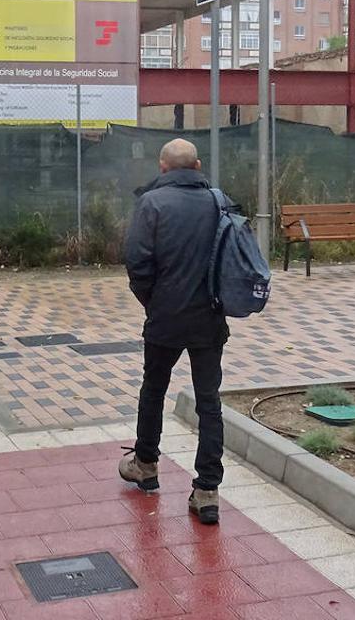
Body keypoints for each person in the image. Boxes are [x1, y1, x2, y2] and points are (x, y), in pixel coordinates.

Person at [119, 138, 229, 525]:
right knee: (209, 402)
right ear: (197, 165)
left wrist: (154, 301)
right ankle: (207, 491)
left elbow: (137, 261)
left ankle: (146, 465)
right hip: (210, 318)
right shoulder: (218, 201)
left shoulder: (151, 203)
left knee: (153, 389)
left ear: (163, 167)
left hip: (165, 316)